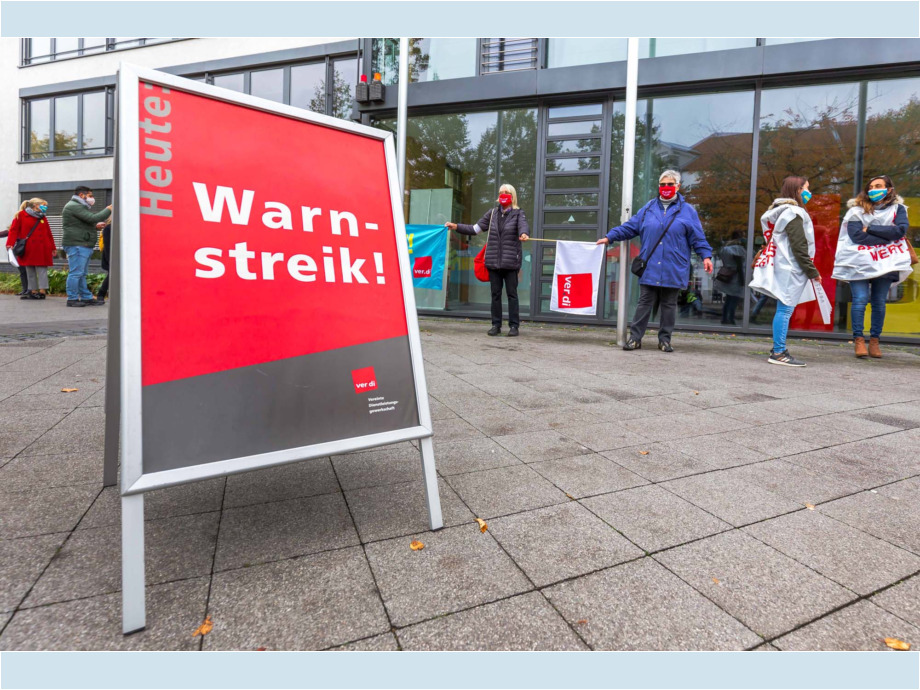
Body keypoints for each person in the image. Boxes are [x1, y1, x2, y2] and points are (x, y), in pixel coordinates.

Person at [597, 170, 713, 352]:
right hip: (650, 265)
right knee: (644, 302)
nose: (666, 188)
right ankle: (635, 338)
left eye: (670, 184)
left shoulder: (688, 211)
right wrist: (609, 237)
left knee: (669, 304)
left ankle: (665, 340)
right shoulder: (649, 208)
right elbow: (630, 227)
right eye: (662, 185)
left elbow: (698, 238)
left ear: (678, 186)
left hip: (674, 265)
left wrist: (706, 256)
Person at [833, 175, 912, 358]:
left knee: (879, 302)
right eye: (870, 187)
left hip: (886, 263)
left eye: (878, 186)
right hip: (859, 263)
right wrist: (886, 238)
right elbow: (856, 237)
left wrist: (869, 229)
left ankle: (875, 341)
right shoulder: (856, 211)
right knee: (860, 300)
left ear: (889, 189)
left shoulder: (899, 209)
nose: (873, 189)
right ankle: (859, 340)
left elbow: (899, 231)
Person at [749, 176, 820, 367]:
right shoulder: (794, 212)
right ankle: (779, 352)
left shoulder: (778, 211)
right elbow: (798, 246)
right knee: (785, 309)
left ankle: (778, 349)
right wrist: (812, 271)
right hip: (791, 267)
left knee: (783, 308)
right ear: (798, 190)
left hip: (781, 265)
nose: (809, 192)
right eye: (806, 188)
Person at [446, 184, 530, 337]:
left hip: (511, 263)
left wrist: (524, 234)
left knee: (512, 294)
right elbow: (475, 229)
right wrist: (456, 226)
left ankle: (514, 326)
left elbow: (523, 227)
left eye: (506, 192)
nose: (503, 195)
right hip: (493, 262)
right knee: (495, 294)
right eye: (501, 192)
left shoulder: (519, 213)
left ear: (512, 195)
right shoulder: (491, 214)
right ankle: (495, 325)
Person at [61, 185, 111, 307]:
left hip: (82, 244)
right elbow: (93, 218)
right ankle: (72, 299)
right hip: (77, 244)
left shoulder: (79, 206)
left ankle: (86, 297)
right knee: (76, 273)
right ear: (81, 195)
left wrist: (95, 227)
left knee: (81, 273)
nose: (92, 198)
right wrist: (109, 209)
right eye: (90, 196)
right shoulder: (74, 206)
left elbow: (80, 224)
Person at [6, 198, 56, 300]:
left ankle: (42, 291)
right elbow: (13, 230)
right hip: (29, 247)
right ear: (35, 205)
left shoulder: (42, 217)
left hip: (43, 247)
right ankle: (33, 291)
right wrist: (10, 243)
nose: (45, 207)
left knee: (42, 269)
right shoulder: (21, 215)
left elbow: (48, 233)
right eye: (43, 205)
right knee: (30, 269)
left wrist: (53, 247)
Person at [713, 230, 747, 325]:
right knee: (734, 299)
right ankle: (730, 319)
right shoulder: (737, 249)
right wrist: (742, 279)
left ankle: (725, 318)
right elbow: (739, 264)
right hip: (735, 276)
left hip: (728, 275)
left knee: (728, 299)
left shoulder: (725, 248)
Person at [0, 223, 29, 295]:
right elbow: (4, 233)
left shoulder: (24, 230)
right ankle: (25, 289)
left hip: (24, 252)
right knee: (22, 271)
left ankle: (28, 289)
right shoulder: (13, 230)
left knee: (26, 271)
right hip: (18, 253)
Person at [95, 218, 112, 304]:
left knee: (111, 275)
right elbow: (108, 246)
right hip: (111, 256)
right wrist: (110, 259)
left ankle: (101, 294)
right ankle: (101, 294)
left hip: (120, 255)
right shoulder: (109, 228)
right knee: (112, 275)